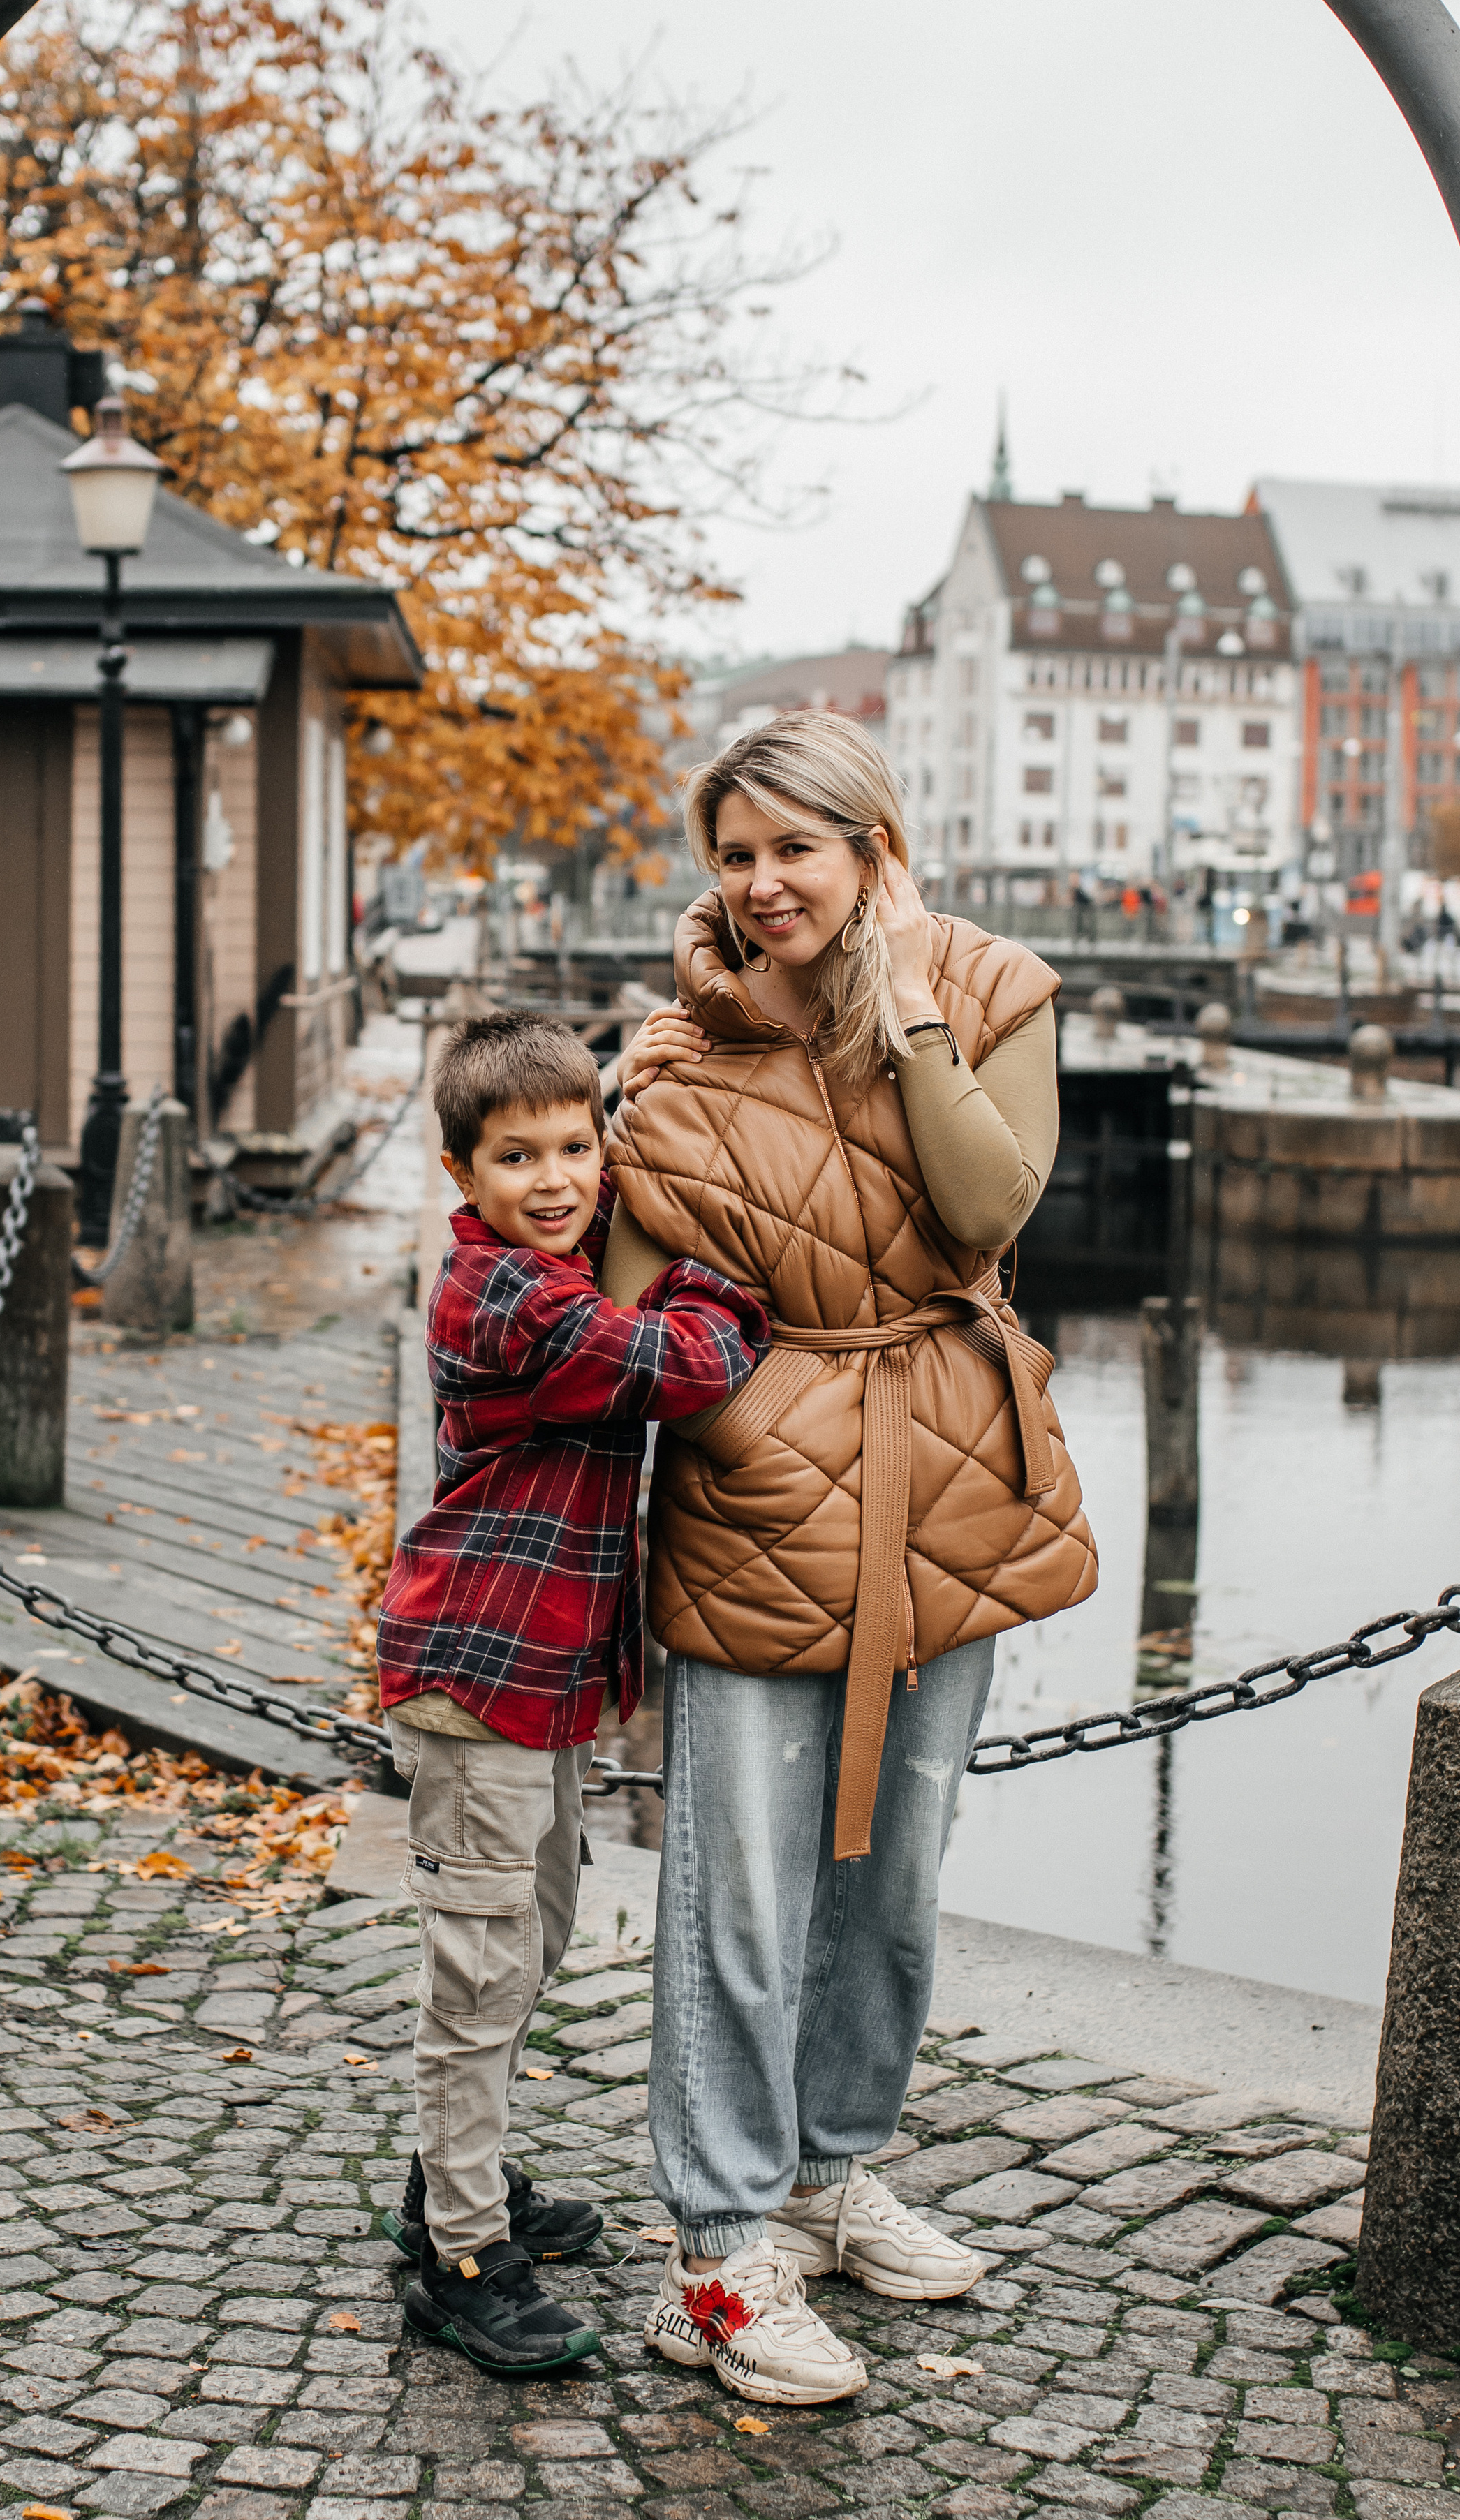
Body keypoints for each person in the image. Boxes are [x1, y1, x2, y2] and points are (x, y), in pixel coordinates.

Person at [603, 710, 1097, 2408]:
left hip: (948, 1483)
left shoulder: (991, 987)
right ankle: (714, 2248)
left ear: (870, 851)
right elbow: (626, 1305)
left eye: (794, 849)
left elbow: (984, 1214)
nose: (760, 885)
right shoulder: (679, 1055)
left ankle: (825, 2174)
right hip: (759, 1494)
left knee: (889, 1871)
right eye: (732, 855)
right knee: (738, 1887)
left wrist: (903, 1015)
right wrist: (738, 1409)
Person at [376, 1009, 769, 2374]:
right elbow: (683, 1365)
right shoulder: (505, 1297)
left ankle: (451, 2178)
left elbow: (625, 1261)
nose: (554, 1180)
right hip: (480, 1673)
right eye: (515, 1156)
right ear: (459, 1171)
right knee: (480, 1973)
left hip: (540, 1680)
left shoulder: (565, 1260)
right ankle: (458, 2258)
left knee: (529, 1939)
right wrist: (719, 1285)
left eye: (574, 1148)